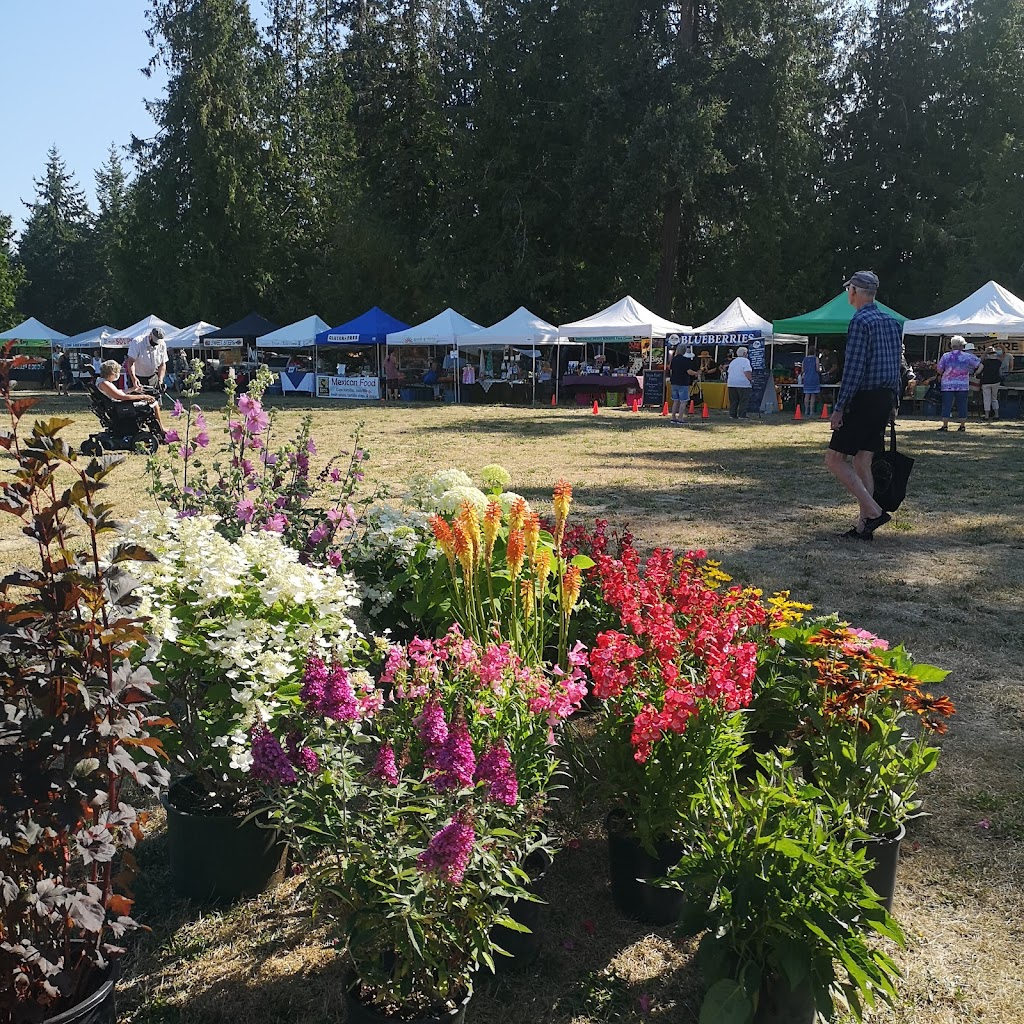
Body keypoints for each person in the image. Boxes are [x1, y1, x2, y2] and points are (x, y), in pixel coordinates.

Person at [826, 270, 903, 541]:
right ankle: (864, 526)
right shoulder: (892, 322)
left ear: (854, 291)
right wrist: (894, 399)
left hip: (863, 398)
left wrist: (839, 406)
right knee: (863, 460)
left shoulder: (860, 321)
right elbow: (897, 367)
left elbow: (855, 369)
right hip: (883, 398)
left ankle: (872, 510)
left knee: (835, 459)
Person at [95, 359, 165, 436]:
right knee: (154, 404)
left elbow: (118, 392)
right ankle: (161, 429)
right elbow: (121, 397)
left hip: (117, 405)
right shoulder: (104, 383)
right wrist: (144, 396)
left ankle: (158, 428)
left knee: (151, 403)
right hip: (119, 407)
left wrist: (132, 389)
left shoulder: (103, 381)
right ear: (111, 372)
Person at [935, 335, 981, 432]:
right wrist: (975, 373)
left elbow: (939, 370)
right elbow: (980, 365)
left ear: (952, 346)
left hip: (947, 384)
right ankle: (962, 425)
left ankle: (945, 425)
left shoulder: (946, 356)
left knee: (947, 404)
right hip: (962, 383)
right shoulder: (968, 356)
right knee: (962, 404)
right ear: (962, 346)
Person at [668, 343, 698, 426]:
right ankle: (680, 418)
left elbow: (670, 369)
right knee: (683, 401)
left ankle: (673, 417)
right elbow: (689, 371)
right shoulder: (686, 360)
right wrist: (696, 373)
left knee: (675, 400)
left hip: (674, 381)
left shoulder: (674, 359)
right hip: (683, 382)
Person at [726, 345, 753, 419]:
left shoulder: (733, 361)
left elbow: (729, 371)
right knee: (743, 400)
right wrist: (751, 380)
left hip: (731, 383)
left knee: (733, 400)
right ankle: (742, 414)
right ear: (745, 353)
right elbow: (747, 372)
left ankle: (732, 414)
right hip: (742, 383)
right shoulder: (745, 361)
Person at [978, 346, 1003, 421]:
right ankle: (996, 415)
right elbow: (1000, 372)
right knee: (994, 398)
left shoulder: (985, 362)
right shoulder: (999, 362)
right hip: (996, 381)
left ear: (988, 355)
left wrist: (975, 374)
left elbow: (979, 371)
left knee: (986, 398)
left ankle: (986, 416)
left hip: (986, 382)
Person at [801, 346, 822, 417]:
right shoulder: (816, 359)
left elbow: (802, 370)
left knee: (806, 395)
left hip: (806, 378)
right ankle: (811, 411)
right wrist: (820, 371)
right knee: (813, 395)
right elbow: (817, 369)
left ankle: (806, 410)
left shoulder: (805, 359)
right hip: (814, 377)